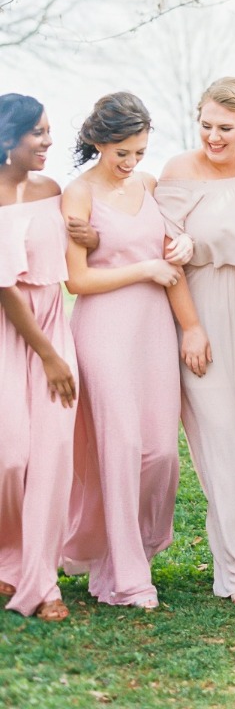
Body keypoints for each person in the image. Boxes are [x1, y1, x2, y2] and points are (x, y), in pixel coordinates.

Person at [155, 77, 235, 605]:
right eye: (206, 125)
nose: (213, 137)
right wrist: (190, 327)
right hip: (202, 308)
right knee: (221, 443)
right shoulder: (178, 171)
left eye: (225, 128)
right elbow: (169, 258)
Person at [62, 93, 182, 609]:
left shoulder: (150, 185)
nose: (132, 163)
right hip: (103, 330)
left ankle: (131, 554)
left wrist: (185, 246)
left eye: (140, 151)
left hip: (154, 330)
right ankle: (127, 578)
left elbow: (172, 240)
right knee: (121, 447)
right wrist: (147, 270)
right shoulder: (78, 194)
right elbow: (78, 278)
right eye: (122, 154)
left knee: (160, 452)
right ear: (97, 142)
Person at [0, 94, 77, 622]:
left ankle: (42, 579)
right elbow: (5, 289)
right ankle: (9, 557)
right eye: (38, 133)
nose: (49, 142)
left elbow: (73, 247)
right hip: (15, 332)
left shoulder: (52, 191)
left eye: (50, 131)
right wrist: (48, 356)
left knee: (49, 459)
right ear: (9, 138)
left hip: (54, 320)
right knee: (12, 458)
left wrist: (86, 236)